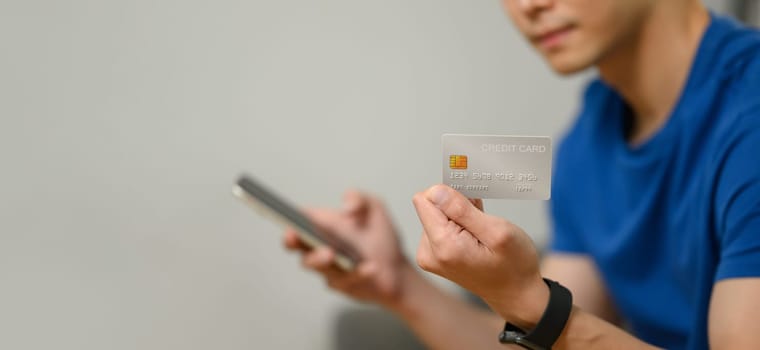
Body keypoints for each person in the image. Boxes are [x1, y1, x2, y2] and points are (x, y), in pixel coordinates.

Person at [283, 0, 760, 349]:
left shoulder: (750, 111)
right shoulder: (588, 137)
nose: (528, 6)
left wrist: (533, 303)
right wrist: (400, 286)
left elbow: (556, 325)